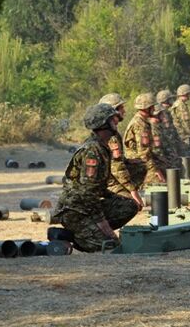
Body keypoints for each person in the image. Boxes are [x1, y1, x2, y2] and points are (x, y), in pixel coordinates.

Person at [51, 103, 141, 252]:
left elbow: (98, 187)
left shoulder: (101, 147)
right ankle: (71, 236)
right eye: (112, 119)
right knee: (110, 245)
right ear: (103, 123)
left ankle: (90, 232)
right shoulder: (93, 151)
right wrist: (104, 226)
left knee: (128, 205)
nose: (117, 121)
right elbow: (88, 194)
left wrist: (117, 198)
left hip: (86, 206)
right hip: (74, 211)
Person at [98, 93, 145, 208]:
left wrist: (130, 161)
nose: (124, 111)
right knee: (131, 205)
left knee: (141, 165)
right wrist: (133, 191)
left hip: (109, 176)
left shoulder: (111, 130)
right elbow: (116, 167)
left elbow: (117, 160)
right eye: (121, 108)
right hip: (107, 182)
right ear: (112, 112)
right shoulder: (110, 135)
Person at [123, 92, 167, 186]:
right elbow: (143, 153)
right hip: (137, 164)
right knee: (158, 183)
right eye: (152, 107)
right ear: (148, 108)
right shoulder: (140, 124)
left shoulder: (142, 121)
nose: (154, 109)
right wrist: (155, 170)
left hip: (141, 161)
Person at [155, 89, 184, 170]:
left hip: (171, 145)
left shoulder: (166, 112)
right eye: (170, 99)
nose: (172, 101)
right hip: (167, 147)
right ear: (165, 101)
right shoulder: (162, 113)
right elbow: (167, 132)